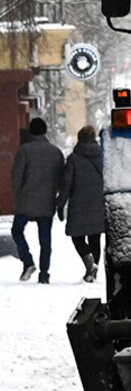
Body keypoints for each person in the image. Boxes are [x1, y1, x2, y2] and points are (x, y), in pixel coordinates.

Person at [10, 117, 65, 284]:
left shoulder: (24, 150)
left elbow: (17, 176)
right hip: (46, 201)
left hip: (26, 200)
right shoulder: (55, 152)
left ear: (31, 132)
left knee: (17, 230)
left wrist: (18, 193)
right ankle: (44, 275)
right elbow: (60, 178)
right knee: (45, 240)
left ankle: (28, 262)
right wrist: (54, 194)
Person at [58, 125, 105, 283]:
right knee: (95, 239)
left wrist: (60, 204)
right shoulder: (102, 156)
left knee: (77, 238)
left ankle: (89, 264)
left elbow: (66, 184)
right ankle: (93, 271)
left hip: (78, 204)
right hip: (98, 203)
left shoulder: (73, 159)